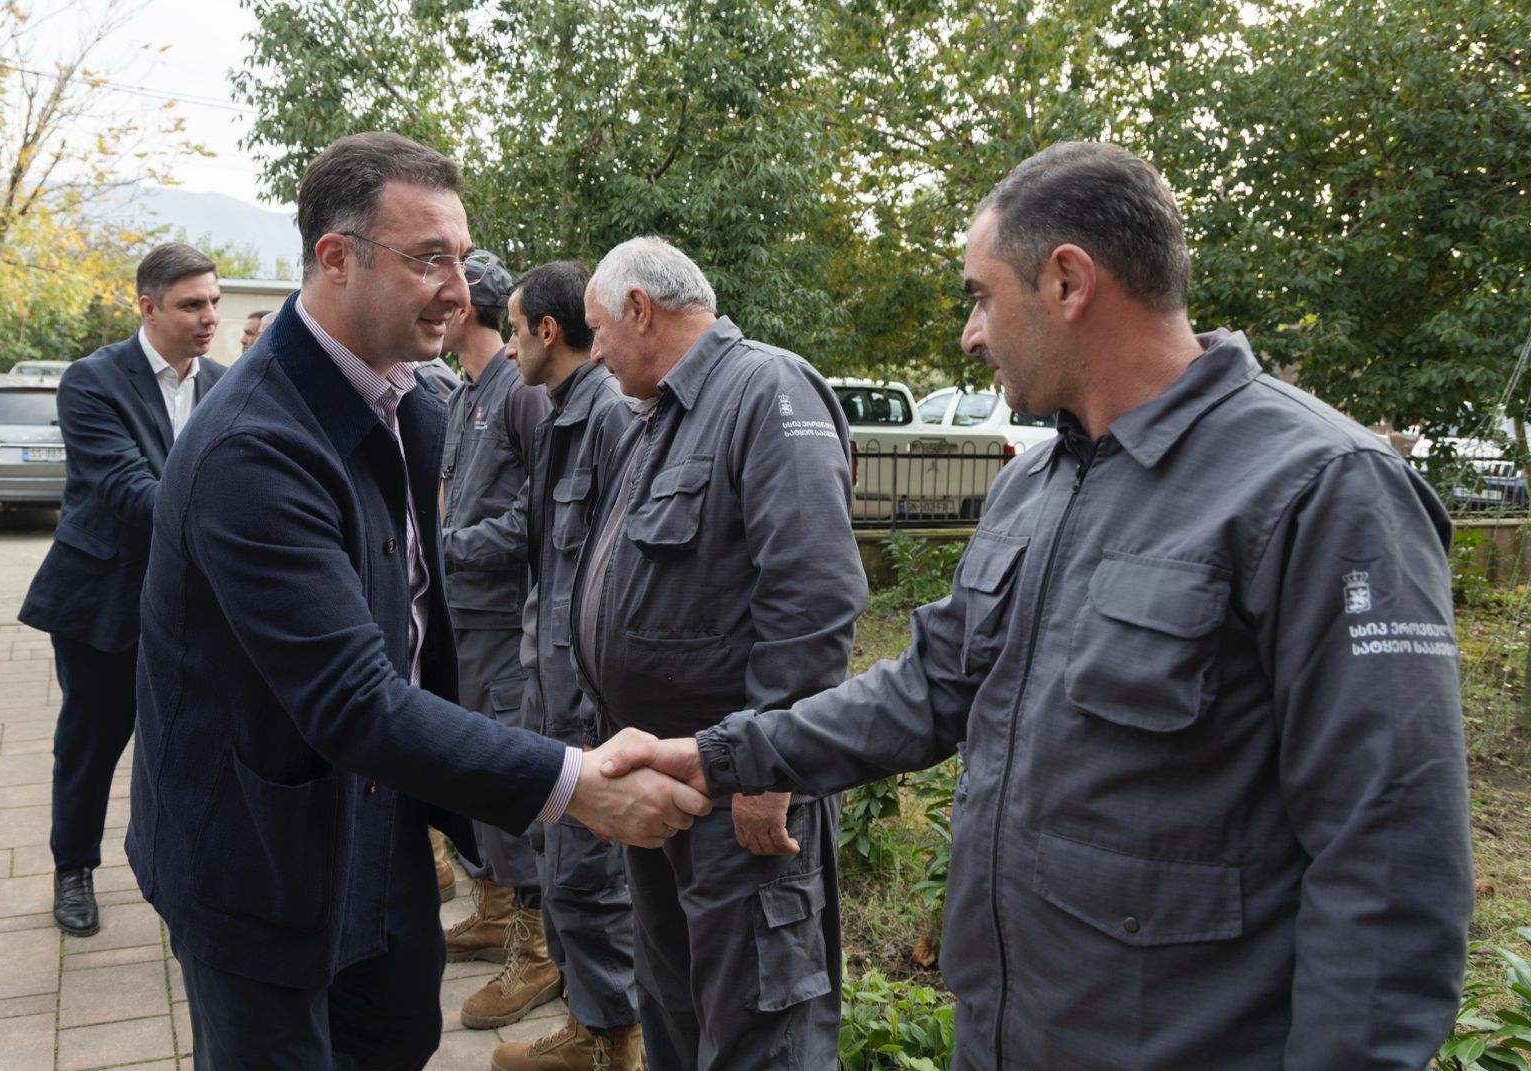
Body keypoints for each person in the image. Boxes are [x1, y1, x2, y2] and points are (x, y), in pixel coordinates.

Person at [601, 142, 1476, 1069]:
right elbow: (929, 687)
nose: (970, 335)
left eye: (981, 297)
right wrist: (723, 752)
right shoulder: (1037, 485)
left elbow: (1390, 862)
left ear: (1067, 281)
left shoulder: (1323, 489)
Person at [125, 131, 709, 1070]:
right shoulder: (254, 446)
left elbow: (416, 632)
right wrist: (577, 785)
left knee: (398, 1033)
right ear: (336, 257)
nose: (459, 289)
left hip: (378, 824)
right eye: (429, 258)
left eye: (461, 258)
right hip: (255, 855)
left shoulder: (413, 406)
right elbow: (352, 696)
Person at [572, 237, 868, 1071]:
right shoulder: (660, 415)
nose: (592, 352)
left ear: (640, 309)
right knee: (675, 1005)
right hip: (662, 778)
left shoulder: (768, 390)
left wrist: (770, 768)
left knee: (757, 1029)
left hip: (739, 791)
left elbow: (815, 597)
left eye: (598, 328)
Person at [19, 242, 227, 938]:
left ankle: (187, 873)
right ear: (148, 307)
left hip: (195, 604)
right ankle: (73, 869)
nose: (209, 317)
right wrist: (231, 515)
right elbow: (124, 486)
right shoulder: (92, 380)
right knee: (91, 742)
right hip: (104, 599)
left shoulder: (225, 383)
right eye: (191, 304)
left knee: (194, 743)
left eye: (214, 302)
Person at [491, 260, 643, 1071]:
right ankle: (591, 1026)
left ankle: (613, 1043)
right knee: (560, 862)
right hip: (548, 687)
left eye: (515, 329)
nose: (509, 345)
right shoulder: (559, 414)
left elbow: (621, 577)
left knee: (590, 876)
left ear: (548, 331)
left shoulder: (610, 416)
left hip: (586, 700)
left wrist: (591, 706)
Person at [434, 249, 561, 1030]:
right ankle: (493, 911)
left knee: (512, 785)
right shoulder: (463, 393)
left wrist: (448, 546)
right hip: (465, 618)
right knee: (472, 781)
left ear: (464, 310)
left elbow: (537, 519)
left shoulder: (521, 394)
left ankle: (536, 949)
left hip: (508, 626)